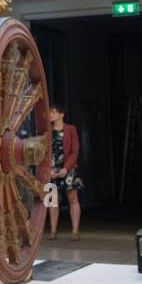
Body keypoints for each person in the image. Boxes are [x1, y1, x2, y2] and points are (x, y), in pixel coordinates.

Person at [47, 103, 83, 241]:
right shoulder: (47, 131)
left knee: (73, 199)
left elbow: (75, 151)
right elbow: (43, 151)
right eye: (50, 112)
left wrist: (66, 168)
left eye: (54, 112)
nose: (51, 114)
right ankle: (53, 231)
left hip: (68, 168)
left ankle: (75, 231)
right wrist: (48, 169)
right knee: (52, 201)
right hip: (51, 169)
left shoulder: (71, 129)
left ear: (62, 114)